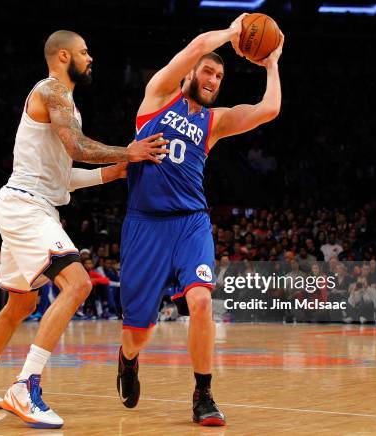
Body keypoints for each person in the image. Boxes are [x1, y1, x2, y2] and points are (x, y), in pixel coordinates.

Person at [0, 30, 168, 429]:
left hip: (31, 203)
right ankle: (24, 385)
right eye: (85, 52)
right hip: (26, 205)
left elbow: (63, 175)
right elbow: (77, 148)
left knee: (21, 304)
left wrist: (112, 172)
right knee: (79, 284)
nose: (91, 58)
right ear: (64, 55)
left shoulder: (65, 104)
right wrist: (130, 151)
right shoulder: (53, 91)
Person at [117, 14, 283, 426]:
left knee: (201, 300)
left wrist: (273, 61)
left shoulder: (214, 122)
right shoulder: (157, 96)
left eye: (220, 76)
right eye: (208, 71)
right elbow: (194, 48)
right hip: (145, 223)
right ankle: (128, 358)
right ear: (191, 73)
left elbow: (269, 109)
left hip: (191, 222)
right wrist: (233, 31)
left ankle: (203, 393)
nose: (213, 79)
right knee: (139, 332)